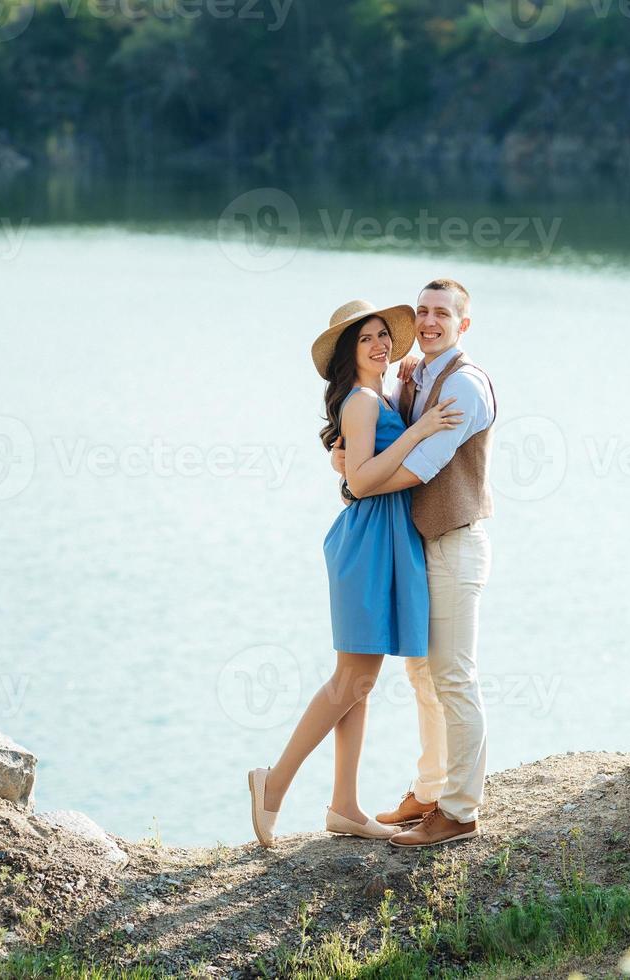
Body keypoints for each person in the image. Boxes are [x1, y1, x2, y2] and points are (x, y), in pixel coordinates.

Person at [247, 299, 463, 847]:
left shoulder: (382, 396)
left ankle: (344, 805)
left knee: (361, 685)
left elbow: (354, 474)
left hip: (384, 540)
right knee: (351, 680)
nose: (380, 345)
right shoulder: (363, 401)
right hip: (368, 543)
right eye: (366, 338)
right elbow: (363, 482)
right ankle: (273, 784)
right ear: (350, 351)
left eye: (383, 336)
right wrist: (419, 432)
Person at [332, 278, 497, 848]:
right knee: (422, 673)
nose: (428, 322)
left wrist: (358, 484)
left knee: (454, 676)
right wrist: (351, 462)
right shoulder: (414, 378)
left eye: (441, 314)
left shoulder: (466, 386)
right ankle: (429, 789)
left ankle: (460, 809)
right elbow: (369, 443)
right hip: (420, 544)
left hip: (455, 542)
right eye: (422, 311)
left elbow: (419, 465)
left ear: (463, 325)